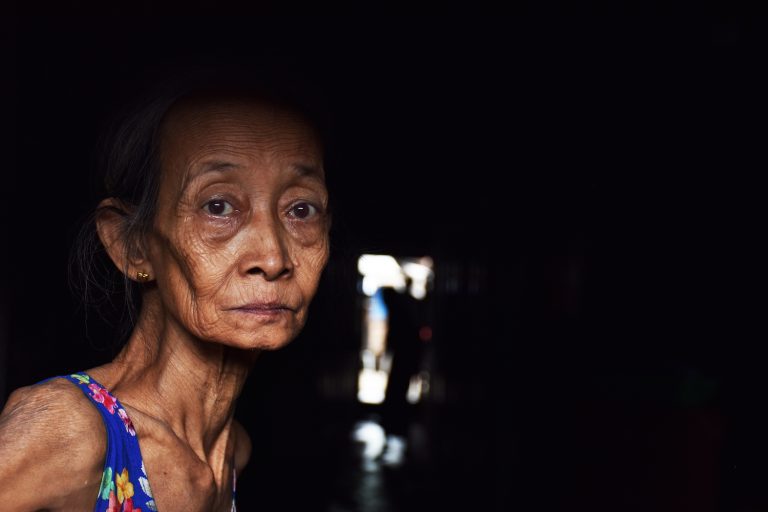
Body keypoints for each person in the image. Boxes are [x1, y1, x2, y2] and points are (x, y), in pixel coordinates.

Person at [0, 67, 332, 511]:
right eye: (218, 206)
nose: (273, 258)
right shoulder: (70, 432)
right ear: (131, 246)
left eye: (301, 209)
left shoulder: (233, 450)